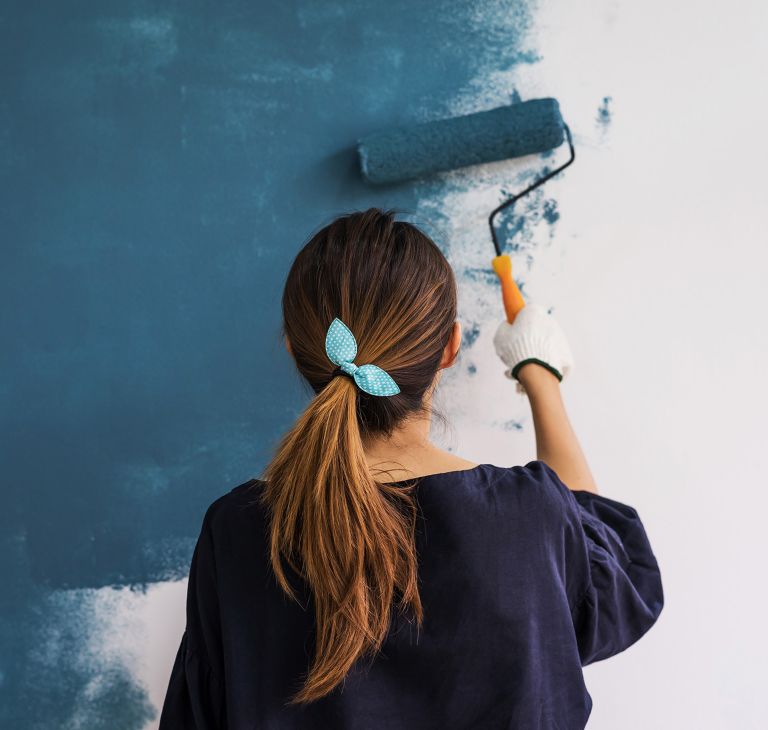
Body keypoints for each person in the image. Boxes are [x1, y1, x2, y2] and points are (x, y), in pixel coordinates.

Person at [158, 208, 664, 729]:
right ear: (450, 347)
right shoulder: (526, 517)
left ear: (293, 349)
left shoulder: (238, 532)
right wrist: (541, 373)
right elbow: (619, 580)